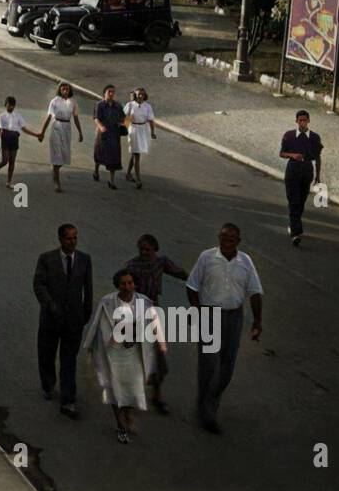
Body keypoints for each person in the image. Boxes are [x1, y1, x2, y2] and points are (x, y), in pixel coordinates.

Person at [186, 223, 263, 434]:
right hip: (210, 315)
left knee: (227, 367)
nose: (226, 242)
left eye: (231, 238)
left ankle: (207, 401)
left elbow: (255, 291)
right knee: (209, 365)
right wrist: (199, 311)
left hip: (234, 317)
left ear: (238, 241)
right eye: (222, 237)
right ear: (218, 238)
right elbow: (192, 286)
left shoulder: (245, 261)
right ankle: (207, 412)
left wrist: (257, 322)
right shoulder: (207, 257)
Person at [86, 268, 166, 444]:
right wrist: (91, 345)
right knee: (114, 387)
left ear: (134, 284)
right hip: (114, 351)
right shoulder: (107, 302)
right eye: (123, 283)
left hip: (135, 353)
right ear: (117, 286)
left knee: (132, 386)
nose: (127, 287)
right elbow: (98, 325)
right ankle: (120, 423)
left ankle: (128, 414)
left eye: (130, 283)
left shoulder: (144, 302)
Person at [32, 223, 93, 419]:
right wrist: (50, 305)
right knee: (47, 353)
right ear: (60, 239)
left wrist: (86, 312)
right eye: (68, 238)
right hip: (51, 317)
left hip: (74, 319)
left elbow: (88, 288)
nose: (72, 242)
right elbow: (38, 285)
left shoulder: (84, 260)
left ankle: (68, 398)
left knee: (69, 359)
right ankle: (48, 385)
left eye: (75, 238)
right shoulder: (47, 259)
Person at [123, 233, 188, 415]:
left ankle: (157, 395)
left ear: (155, 250)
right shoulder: (132, 265)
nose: (144, 252)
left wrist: (196, 280)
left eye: (148, 249)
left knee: (158, 354)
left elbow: (179, 272)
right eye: (141, 249)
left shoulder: (161, 263)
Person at [280, 109, 323, 246]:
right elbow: (282, 153)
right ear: (296, 121)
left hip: (307, 171)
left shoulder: (315, 138)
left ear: (308, 121)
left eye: (305, 120)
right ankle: (296, 234)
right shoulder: (289, 136)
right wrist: (293, 155)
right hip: (292, 170)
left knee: (301, 201)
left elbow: (317, 157)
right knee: (294, 201)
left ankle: (293, 225)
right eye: (300, 120)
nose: (303, 123)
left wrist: (318, 176)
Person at [37, 82, 82, 193]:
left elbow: (76, 118)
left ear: (70, 90)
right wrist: (42, 132)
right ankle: (56, 182)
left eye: (67, 88)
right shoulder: (55, 101)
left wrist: (80, 132)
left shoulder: (73, 102)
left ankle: (55, 167)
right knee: (56, 155)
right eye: (63, 88)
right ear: (60, 90)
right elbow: (48, 117)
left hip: (67, 128)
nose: (65, 90)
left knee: (64, 155)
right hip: (56, 126)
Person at [0, 95, 40, 188]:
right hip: (5, 138)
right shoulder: (2, 116)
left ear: (14, 106)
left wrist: (36, 135)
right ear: (5, 105)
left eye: (12, 105)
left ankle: (9, 181)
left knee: (12, 161)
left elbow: (24, 129)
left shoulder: (18, 116)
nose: (10, 107)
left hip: (14, 139)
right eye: (8, 105)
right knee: (5, 160)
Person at [93, 84, 126, 189]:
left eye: (113, 92)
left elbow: (124, 118)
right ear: (104, 93)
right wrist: (101, 127)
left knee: (114, 156)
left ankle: (111, 181)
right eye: (109, 92)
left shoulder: (118, 105)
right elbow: (96, 118)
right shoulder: (100, 105)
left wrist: (123, 124)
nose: (111, 94)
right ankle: (96, 170)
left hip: (114, 134)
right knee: (99, 153)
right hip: (102, 133)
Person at [123, 87, 156, 189]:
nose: (140, 96)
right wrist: (125, 128)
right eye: (138, 94)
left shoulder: (148, 106)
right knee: (137, 155)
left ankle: (128, 174)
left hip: (143, 130)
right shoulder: (130, 105)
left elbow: (151, 120)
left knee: (135, 153)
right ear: (135, 95)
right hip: (133, 130)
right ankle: (138, 179)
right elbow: (125, 119)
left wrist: (152, 132)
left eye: (142, 94)